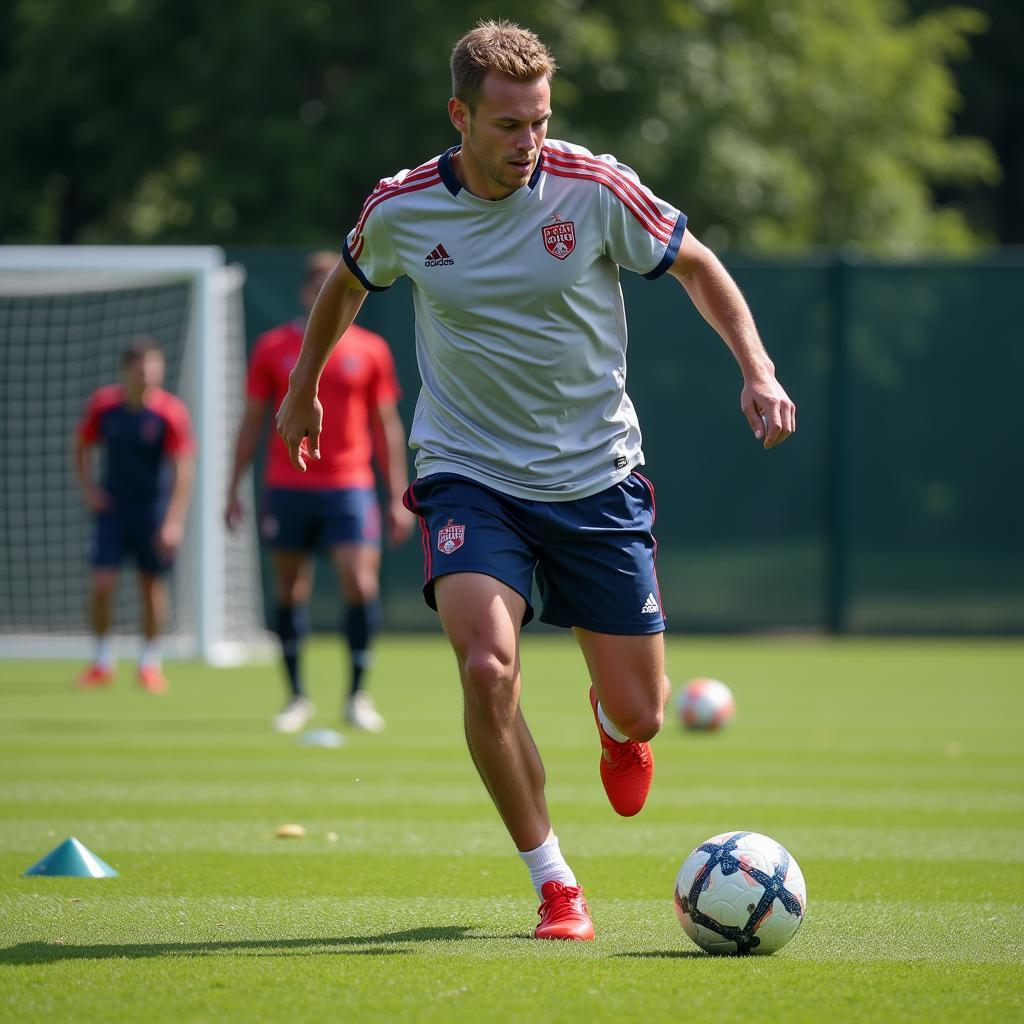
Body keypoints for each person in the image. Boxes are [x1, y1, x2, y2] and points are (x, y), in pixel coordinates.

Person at [275, 21, 796, 939]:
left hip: (596, 476)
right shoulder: (402, 209)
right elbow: (348, 287)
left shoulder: (592, 186)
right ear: (460, 116)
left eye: (541, 122)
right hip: (467, 472)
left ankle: (611, 717)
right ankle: (555, 882)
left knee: (644, 714)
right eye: (510, 125)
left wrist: (756, 367)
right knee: (486, 669)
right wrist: (304, 386)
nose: (530, 143)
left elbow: (698, 264)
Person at [225, 251, 414, 734]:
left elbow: (386, 426)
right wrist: (232, 487)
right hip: (289, 484)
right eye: (319, 287)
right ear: (308, 292)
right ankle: (296, 697)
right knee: (290, 588)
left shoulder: (370, 349)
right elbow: (251, 421)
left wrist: (397, 495)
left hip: (349, 485)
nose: (325, 296)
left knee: (361, 584)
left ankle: (356, 695)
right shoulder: (273, 347)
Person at [74, 340, 196, 694]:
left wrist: (173, 520)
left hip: (152, 514)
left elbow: (183, 468)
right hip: (112, 512)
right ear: (126, 371)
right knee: (101, 583)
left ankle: (148, 663)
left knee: (150, 587)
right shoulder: (104, 406)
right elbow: (80, 446)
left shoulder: (169, 413)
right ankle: (101, 661)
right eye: (142, 369)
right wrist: (89, 490)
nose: (149, 375)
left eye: (154, 368)